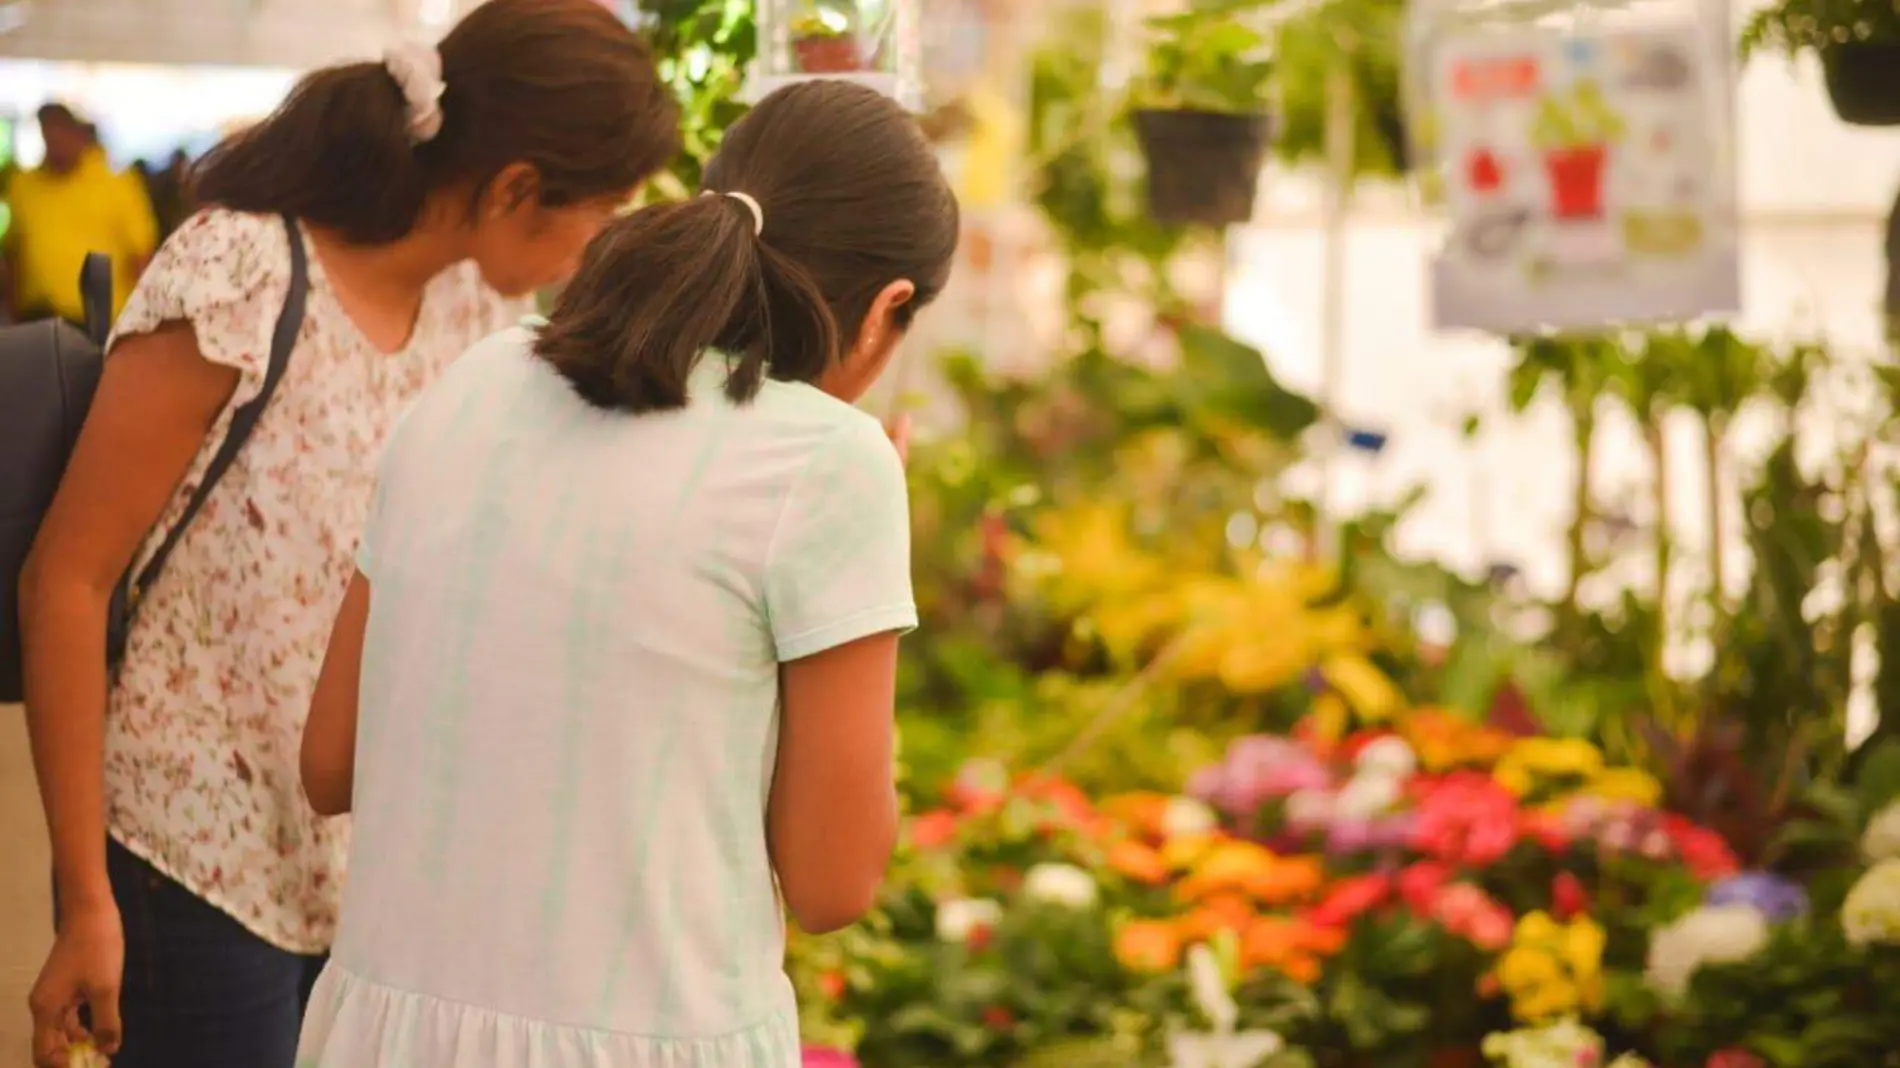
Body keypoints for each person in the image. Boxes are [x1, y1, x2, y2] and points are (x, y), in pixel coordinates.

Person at [18, 1, 680, 1065]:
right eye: (601, 211)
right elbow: (68, 579)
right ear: (514, 188)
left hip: (368, 876)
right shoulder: (243, 273)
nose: (597, 243)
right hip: (188, 859)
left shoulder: (476, 315)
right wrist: (83, 895)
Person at [295, 80, 958, 1068]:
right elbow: (833, 885)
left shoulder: (479, 380)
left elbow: (330, 764)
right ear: (885, 310)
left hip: (383, 1037)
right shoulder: (831, 465)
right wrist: (854, 571)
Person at [2, 104, 158, 324]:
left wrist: (144, 318)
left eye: (61, 132)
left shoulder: (116, 183)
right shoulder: (23, 186)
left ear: (77, 134)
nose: (55, 142)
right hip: (38, 317)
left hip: (100, 320)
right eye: (48, 134)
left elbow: (141, 254)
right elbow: (12, 255)